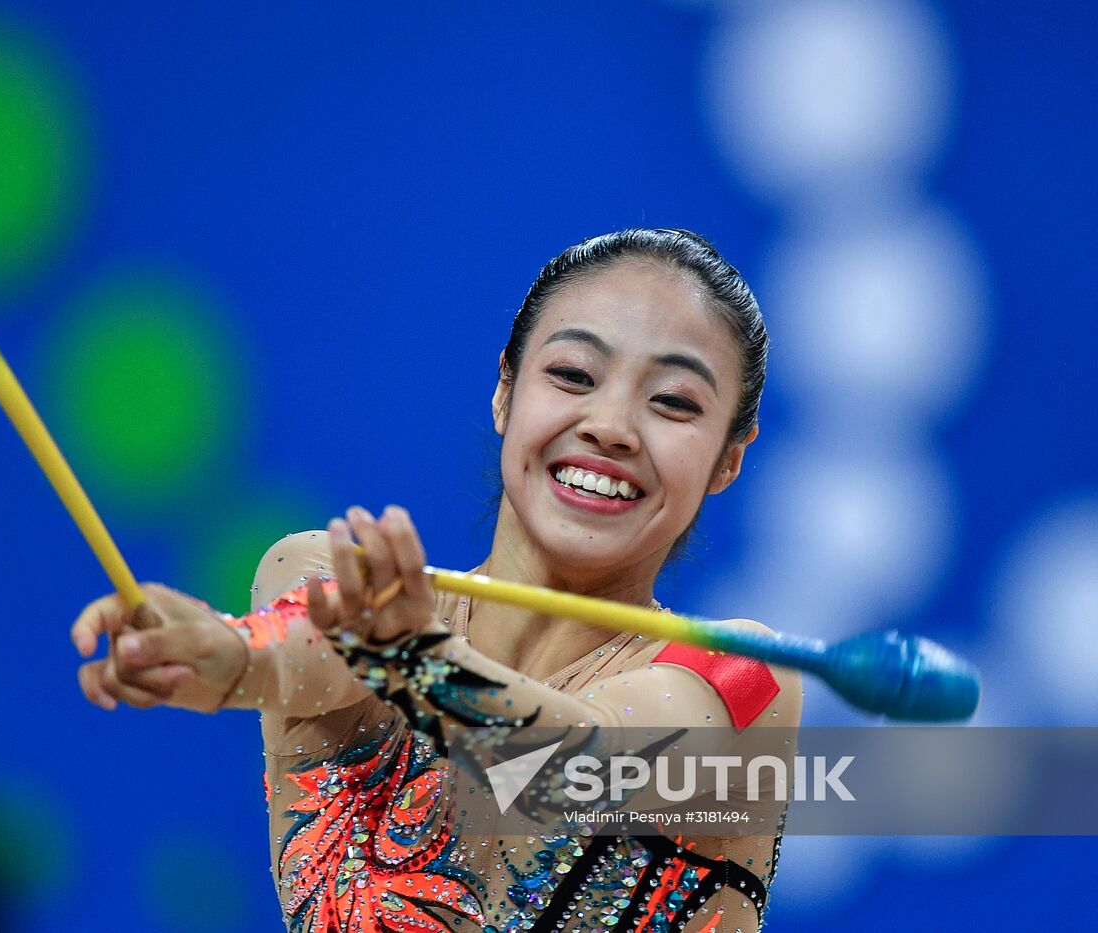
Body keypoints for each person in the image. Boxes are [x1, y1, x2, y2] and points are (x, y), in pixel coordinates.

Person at [71, 229, 804, 932]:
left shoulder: (741, 678)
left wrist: (416, 656)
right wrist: (233, 657)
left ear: (728, 459)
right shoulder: (322, 571)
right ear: (504, 393)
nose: (611, 425)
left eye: (673, 402)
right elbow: (311, 644)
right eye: (573, 375)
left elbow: (568, 769)